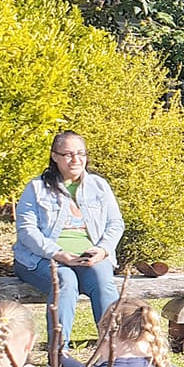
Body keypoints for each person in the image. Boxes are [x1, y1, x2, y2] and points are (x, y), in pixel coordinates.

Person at [14, 131, 123, 353]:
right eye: (68, 154)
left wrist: (103, 250)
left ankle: (112, 349)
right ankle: (58, 353)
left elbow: (115, 223)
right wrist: (59, 254)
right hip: (42, 258)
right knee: (64, 280)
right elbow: (26, 231)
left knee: (103, 279)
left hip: (89, 257)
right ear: (55, 156)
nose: (76, 160)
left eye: (81, 154)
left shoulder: (99, 186)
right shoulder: (36, 188)